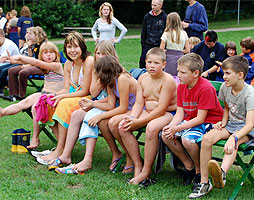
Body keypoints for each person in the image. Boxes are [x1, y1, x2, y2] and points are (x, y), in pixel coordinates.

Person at [189, 56, 254, 198]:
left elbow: (250, 125)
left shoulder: (250, 94)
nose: (224, 77)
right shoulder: (225, 88)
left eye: (228, 73)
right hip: (231, 124)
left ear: (240, 75)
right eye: (223, 73)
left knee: (232, 143)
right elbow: (227, 108)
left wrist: (233, 137)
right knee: (206, 139)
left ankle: (221, 174)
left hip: (250, 129)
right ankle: (204, 183)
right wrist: (223, 121)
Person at [50, 55, 137, 174]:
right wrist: (92, 104)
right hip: (126, 109)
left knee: (108, 122)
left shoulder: (122, 79)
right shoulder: (111, 82)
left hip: (137, 109)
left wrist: (99, 115)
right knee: (101, 121)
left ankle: (131, 158)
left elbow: (122, 107)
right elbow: (111, 105)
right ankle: (126, 155)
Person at [162, 53, 223, 187]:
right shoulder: (181, 86)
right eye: (178, 70)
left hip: (209, 122)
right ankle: (187, 165)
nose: (178, 74)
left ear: (196, 73)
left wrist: (176, 128)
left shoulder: (205, 88)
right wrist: (171, 126)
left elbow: (201, 119)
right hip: (191, 120)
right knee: (165, 135)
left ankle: (199, 169)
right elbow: (180, 112)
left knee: (188, 140)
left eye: (183, 72)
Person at [118, 47, 177, 185]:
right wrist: (132, 118)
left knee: (151, 128)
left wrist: (139, 122)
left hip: (169, 113)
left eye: (156, 63)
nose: (152, 66)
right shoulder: (142, 78)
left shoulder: (167, 80)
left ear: (164, 64)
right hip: (150, 111)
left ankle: (146, 171)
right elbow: (139, 103)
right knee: (123, 126)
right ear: (145, 63)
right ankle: (137, 164)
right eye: (149, 62)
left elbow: (161, 109)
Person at [0, 41, 64, 149]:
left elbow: (36, 63)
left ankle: (35, 138)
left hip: (54, 96)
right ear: (41, 55)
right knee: (24, 102)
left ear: (57, 54)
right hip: (44, 94)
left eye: (51, 52)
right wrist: (14, 61)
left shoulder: (56, 66)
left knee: (36, 107)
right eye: (45, 53)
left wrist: (20, 57)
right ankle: (2, 112)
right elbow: (32, 63)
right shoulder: (45, 67)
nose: (49, 55)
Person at [36, 32, 94, 164]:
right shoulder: (68, 64)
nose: (72, 50)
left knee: (63, 104)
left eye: (76, 46)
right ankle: (61, 146)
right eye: (69, 47)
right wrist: (55, 95)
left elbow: (85, 90)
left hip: (88, 98)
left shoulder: (89, 61)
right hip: (75, 95)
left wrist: (61, 97)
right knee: (48, 102)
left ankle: (61, 149)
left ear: (82, 47)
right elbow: (67, 89)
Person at [8, 26, 48, 100]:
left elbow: (42, 61)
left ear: (37, 35)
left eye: (31, 34)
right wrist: (29, 47)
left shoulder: (44, 45)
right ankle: (13, 94)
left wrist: (29, 65)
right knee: (12, 70)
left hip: (43, 67)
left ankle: (21, 95)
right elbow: (30, 56)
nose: (28, 36)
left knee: (23, 72)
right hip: (35, 65)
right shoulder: (36, 44)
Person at [139, 0, 167, 68]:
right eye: (152, 5)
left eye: (155, 5)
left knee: (157, 63)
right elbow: (144, 31)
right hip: (147, 44)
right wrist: (143, 44)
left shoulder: (165, 17)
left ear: (160, 6)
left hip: (159, 45)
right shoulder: (147, 17)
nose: (153, 7)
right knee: (143, 62)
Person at [160, 12, 189, 76]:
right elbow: (187, 50)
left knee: (168, 77)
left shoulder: (166, 34)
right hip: (180, 58)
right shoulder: (184, 34)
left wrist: (167, 51)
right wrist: (179, 51)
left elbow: (161, 49)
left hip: (169, 59)